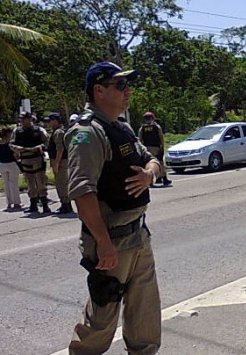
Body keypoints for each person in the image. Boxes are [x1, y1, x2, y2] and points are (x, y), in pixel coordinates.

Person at [65, 61, 162, 354]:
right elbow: (82, 193)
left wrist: (150, 174)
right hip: (111, 242)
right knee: (102, 319)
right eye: (120, 85)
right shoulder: (87, 133)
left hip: (138, 235)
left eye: (127, 85)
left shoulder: (121, 128)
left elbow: (154, 160)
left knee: (145, 313)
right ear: (99, 90)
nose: (127, 91)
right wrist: (104, 243)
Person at [9, 111, 50, 213]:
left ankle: (45, 205)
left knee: (41, 182)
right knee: (30, 183)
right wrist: (18, 148)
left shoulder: (39, 129)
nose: (22, 121)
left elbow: (47, 141)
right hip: (25, 160)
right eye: (21, 119)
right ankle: (33, 205)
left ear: (30, 119)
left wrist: (40, 147)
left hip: (37, 159)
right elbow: (11, 144)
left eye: (24, 119)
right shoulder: (17, 131)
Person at [44, 112, 73, 214]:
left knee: (62, 184)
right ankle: (64, 204)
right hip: (60, 160)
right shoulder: (58, 131)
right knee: (61, 183)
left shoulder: (59, 132)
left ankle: (66, 205)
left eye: (50, 121)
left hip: (61, 161)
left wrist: (56, 163)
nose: (49, 123)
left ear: (56, 121)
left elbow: (60, 149)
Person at [138, 111, 171, 186]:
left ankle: (154, 180)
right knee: (160, 163)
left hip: (146, 148)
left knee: (149, 163)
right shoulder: (157, 127)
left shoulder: (142, 128)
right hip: (156, 148)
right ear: (153, 118)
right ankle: (164, 179)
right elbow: (161, 137)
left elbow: (140, 140)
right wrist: (162, 147)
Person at [0, 127, 22, 211]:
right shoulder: (10, 144)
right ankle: (16, 202)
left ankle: (9, 202)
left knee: (6, 184)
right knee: (13, 184)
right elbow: (16, 155)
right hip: (11, 163)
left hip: (2, 164)